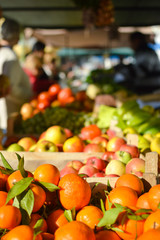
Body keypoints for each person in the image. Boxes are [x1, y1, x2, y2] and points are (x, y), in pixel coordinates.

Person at [0, 17, 32, 131]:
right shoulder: (9, 56)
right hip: (9, 113)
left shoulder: (5, 53)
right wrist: (29, 95)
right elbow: (10, 89)